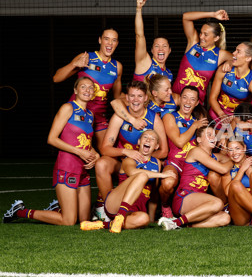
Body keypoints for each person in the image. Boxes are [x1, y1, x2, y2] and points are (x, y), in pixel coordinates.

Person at [4, 77, 99, 225]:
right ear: (75, 90)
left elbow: (86, 142)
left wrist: (96, 154)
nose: (87, 90)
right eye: (83, 87)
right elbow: (52, 139)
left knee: (84, 219)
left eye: (90, 87)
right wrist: (79, 152)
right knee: (68, 221)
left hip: (83, 170)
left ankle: (56, 209)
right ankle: (19, 211)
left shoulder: (90, 115)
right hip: (67, 167)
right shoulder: (68, 108)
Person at [93, 81, 168, 220]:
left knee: (158, 165)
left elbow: (163, 151)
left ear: (146, 98)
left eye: (139, 96)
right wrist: (126, 152)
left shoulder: (154, 118)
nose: (135, 100)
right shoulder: (119, 116)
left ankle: (154, 211)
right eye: (132, 96)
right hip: (122, 163)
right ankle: (107, 208)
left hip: (142, 162)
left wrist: (143, 157)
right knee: (101, 164)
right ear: (126, 98)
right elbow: (104, 149)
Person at [80, 130, 174, 232]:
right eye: (145, 137)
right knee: (142, 175)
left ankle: (103, 224)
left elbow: (154, 194)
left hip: (134, 210)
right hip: (115, 204)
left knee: (144, 219)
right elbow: (133, 172)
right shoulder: (129, 159)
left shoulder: (157, 163)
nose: (148, 140)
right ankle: (119, 216)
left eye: (152, 139)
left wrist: (151, 218)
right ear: (139, 142)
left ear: (156, 146)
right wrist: (161, 175)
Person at [52, 29, 123, 144]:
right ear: (100, 40)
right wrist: (74, 64)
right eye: (106, 39)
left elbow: (117, 97)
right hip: (79, 113)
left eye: (114, 40)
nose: (110, 43)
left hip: (99, 117)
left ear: (117, 43)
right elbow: (56, 78)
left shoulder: (117, 67)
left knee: (107, 155)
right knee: (79, 148)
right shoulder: (86, 57)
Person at [158, 126, 232, 230]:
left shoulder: (216, 156)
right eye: (209, 135)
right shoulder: (195, 151)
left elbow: (229, 160)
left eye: (215, 136)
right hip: (185, 197)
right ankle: (176, 222)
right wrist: (230, 162)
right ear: (199, 139)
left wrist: (231, 158)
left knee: (225, 218)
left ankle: (184, 224)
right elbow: (223, 169)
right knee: (218, 203)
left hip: (200, 205)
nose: (213, 137)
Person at [159, 86, 207, 218]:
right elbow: (179, 142)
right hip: (175, 162)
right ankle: (165, 206)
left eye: (192, 99)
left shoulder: (199, 121)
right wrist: (194, 126)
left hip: (193, 165)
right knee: (168, 183)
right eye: (185, 97)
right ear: (179, 99)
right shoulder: (170, 117)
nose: (188, 102)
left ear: (197, 103)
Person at [173, 10, 233, 104]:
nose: (201, 37)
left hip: (196, 105)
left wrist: (229, 62)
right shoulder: (193, 43)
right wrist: (213, 14)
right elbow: (186, 17)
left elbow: (237, 58)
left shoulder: (219, 54)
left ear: (216, 38)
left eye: (206, 34)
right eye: (201, 33)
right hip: (176, 100)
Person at [209, 42, 252, 119]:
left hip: (238, 119)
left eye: (238, 51)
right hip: (217, 113)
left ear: (248, 58)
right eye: (235, 50)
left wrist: (238, 119)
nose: (233, 53)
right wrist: (221, 114)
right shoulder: (224, 69)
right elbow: (212, 98)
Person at [133, 0, 172, 82]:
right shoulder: (145, 62)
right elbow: (139, 35)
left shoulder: (169, 74)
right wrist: (139, 9)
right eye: (157, 46)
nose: (161, 49)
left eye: (164, 46)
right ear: (152, 50)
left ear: (169, 50)